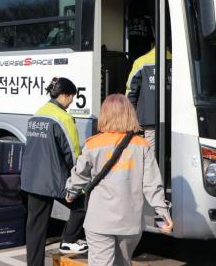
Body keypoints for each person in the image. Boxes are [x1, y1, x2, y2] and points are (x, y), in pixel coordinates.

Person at [65, 94, 172, 266]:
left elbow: (80, 174)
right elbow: (152, 183)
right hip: (129, 222)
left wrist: (71, 191)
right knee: (123, 262)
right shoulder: (141, 145)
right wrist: (163, 213)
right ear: (130, 114)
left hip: (99, 220)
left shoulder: (93, 144)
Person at [21, 77, 88, 266]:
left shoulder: (38, 114)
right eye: (72, 97)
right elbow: (73, 154)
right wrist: (79, 180)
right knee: (83, 205)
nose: (72, 101)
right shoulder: (63, 118)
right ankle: (68, 240)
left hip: (33, 179)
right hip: (53, 180)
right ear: (65, 95)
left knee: (35, 227)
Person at [125, 43, 171, 155]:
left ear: (152, 46)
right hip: (173, 118)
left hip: (149, 117)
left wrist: (131, 115)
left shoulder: (141, 62)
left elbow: (131, 90)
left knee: (150, 153)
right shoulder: (179, 61)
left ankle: (152, 171)